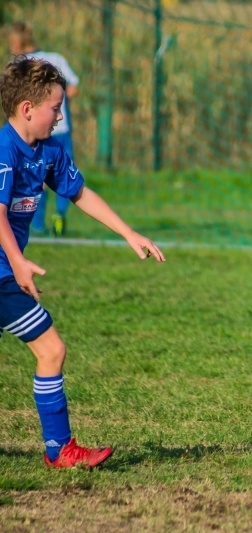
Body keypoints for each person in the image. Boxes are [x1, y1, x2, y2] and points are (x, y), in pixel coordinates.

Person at [0, 57, 165, 468]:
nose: (60, 116)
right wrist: (18, 262)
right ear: (27, 109)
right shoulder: (5, 151)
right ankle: (60, 450)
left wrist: (128, 232)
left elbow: (79, 194)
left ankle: (60, 448)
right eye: (55, 108)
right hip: (3, 271)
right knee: (51, 349)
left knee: (50, 350)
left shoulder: (49, 151)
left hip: (8, 269)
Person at [6, 21, 79, 237]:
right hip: (61, 130)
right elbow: (73, 88)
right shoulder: (56, 59)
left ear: (16, 43)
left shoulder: (20, 66)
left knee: (39, 179)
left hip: (37, 131)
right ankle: (59, 213)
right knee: (60, 175)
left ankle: (37, 225)